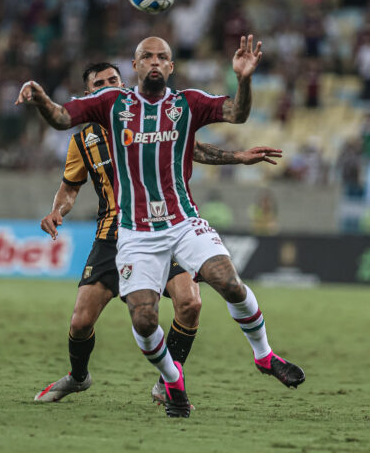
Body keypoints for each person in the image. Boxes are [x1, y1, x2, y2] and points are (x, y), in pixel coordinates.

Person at [17, 36, 305, 418]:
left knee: (220, 287)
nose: (154, 62)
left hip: (182, 222)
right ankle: (169, 381)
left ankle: (264, 356)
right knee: (136, 317)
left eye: (162, 57)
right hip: (128, 231)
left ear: (170, 66)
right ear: (135, 66)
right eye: (147, 57)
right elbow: (61, 120)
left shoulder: (185, 104)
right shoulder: (108, 112)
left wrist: (244, 80)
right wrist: (40, 99)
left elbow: (232, 116)